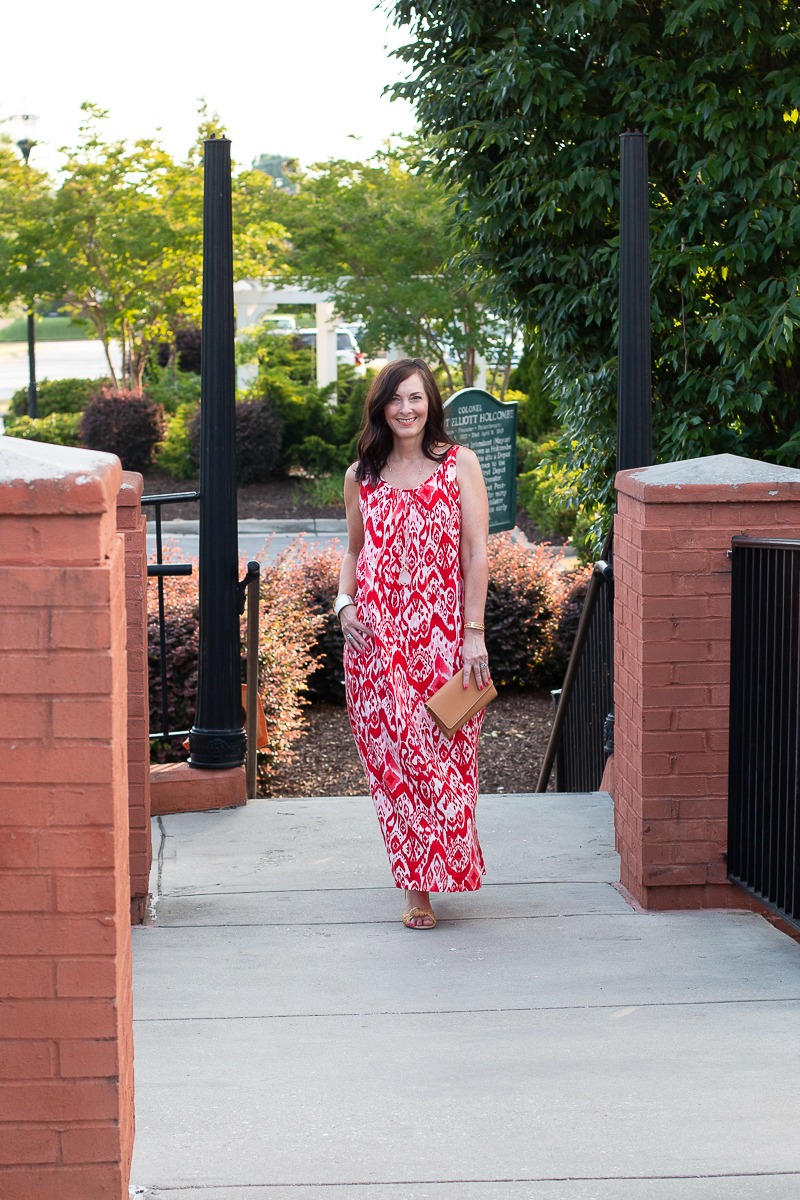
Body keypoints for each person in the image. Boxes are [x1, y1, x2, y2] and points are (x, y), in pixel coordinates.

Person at [334, 358, 491, 929]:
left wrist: (473, 635)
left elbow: (476, 554)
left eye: (416, 398)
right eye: (396, 399)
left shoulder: (458, 465)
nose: (406, 409)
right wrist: (344, 604)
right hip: (377, 646)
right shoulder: (362, 475)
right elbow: (354, 551)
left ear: (431, 404)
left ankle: (443, 864)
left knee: (446, 763)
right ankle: (416, 888)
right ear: (380, 406)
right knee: (398, 769)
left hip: (445, 643)